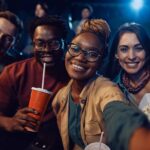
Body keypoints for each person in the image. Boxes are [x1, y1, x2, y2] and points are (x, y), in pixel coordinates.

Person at [52, 18, 127, 150]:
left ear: (101, 61)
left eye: (92, 54)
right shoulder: (61, 97)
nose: (80, 57)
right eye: (75, 48)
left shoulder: (108, 91)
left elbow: (120, 115)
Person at [0, 15, 69, 150]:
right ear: (33, 44)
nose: (47, 50)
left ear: (64, 44)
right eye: (40, 43)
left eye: (54, 43)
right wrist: (10, 122)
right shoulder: (13, 72)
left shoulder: (73, 75)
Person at [107, 23, 150, 107]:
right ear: (116, 54)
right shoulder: (111, 89)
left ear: (147, 51)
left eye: (139, 48)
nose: (131, 56)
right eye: (124, 49)